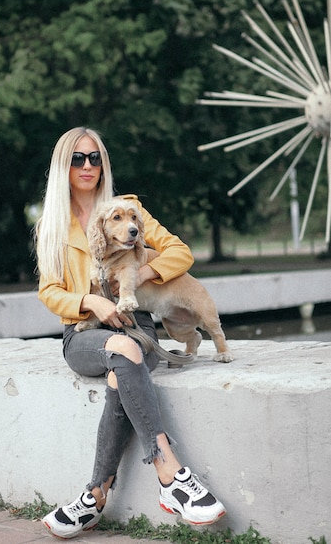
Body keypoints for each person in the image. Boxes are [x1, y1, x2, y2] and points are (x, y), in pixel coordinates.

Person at [35, 126, 226, 539]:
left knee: (121, 370)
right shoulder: (52, 225)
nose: (88, 166)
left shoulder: (129, 209)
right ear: (62, 166)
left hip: (138, 327)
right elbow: (49, 291)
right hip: (83, 332)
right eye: (77, 159)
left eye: (95, 158)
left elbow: (181, 251)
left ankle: (94, 496)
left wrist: (140, 274)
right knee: (122, 353)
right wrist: (91, 302)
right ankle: (170, 474)